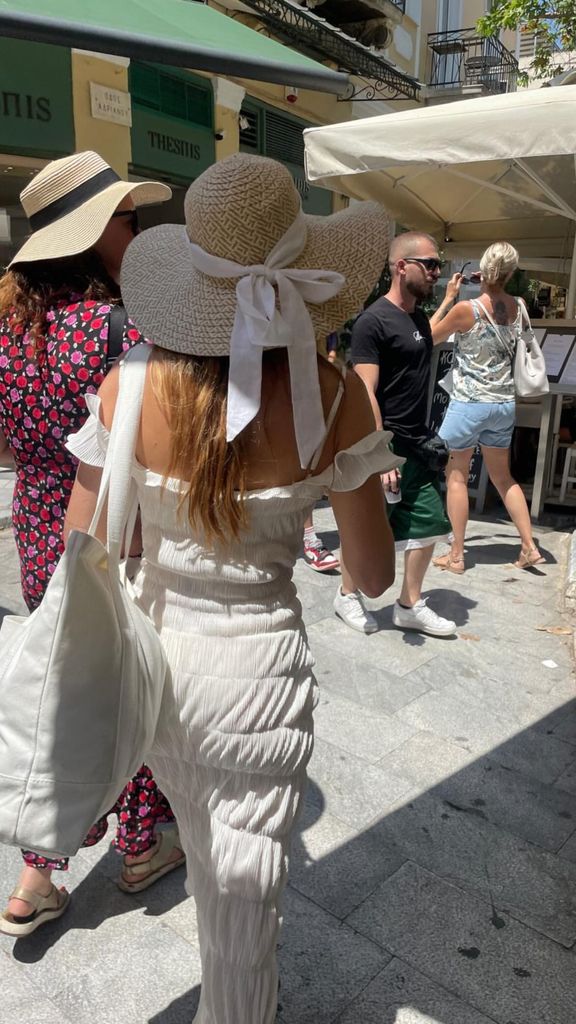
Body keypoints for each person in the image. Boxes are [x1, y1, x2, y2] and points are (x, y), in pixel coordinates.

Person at [63, 153, 397, 1023]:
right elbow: (372, 577)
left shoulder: (126, 388)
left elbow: (82, 546)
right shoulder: (337, 399)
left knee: (217, 876)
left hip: (158, 671)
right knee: (243, 904)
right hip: (259, 681)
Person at [0, 152, 184, 938]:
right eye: (124, 216)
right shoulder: (119, 329)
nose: (136, 226)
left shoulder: (6, 331)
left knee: (64, 689)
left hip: (40, 529)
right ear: (92, 234)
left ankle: (35, 874)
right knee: (124, 689)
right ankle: (142, 847)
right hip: (118, 534)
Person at [337, 231, 461, 637]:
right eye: (429, 264)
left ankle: (408, 604)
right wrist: (379, 453)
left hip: (419, 444)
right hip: (386, 444)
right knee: (368, 527)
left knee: (428, 524)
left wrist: (453, 307)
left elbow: (423, 348)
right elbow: (364, 391)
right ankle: (346, 594)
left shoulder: (418, 319)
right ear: (401, 267)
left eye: (437, 265)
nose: (436, 272)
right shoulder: (372, 321)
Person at [430, 241, 544, 571]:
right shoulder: (519, 306)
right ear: (510, 273)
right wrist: (491, 283)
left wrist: (450, 296)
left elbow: (429, 337)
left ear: (483, 268)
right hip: (503, 405)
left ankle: (456, 555)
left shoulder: (467, 309)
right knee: (504, 478)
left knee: (456, 476)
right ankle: (528, 546)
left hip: (468, 405)